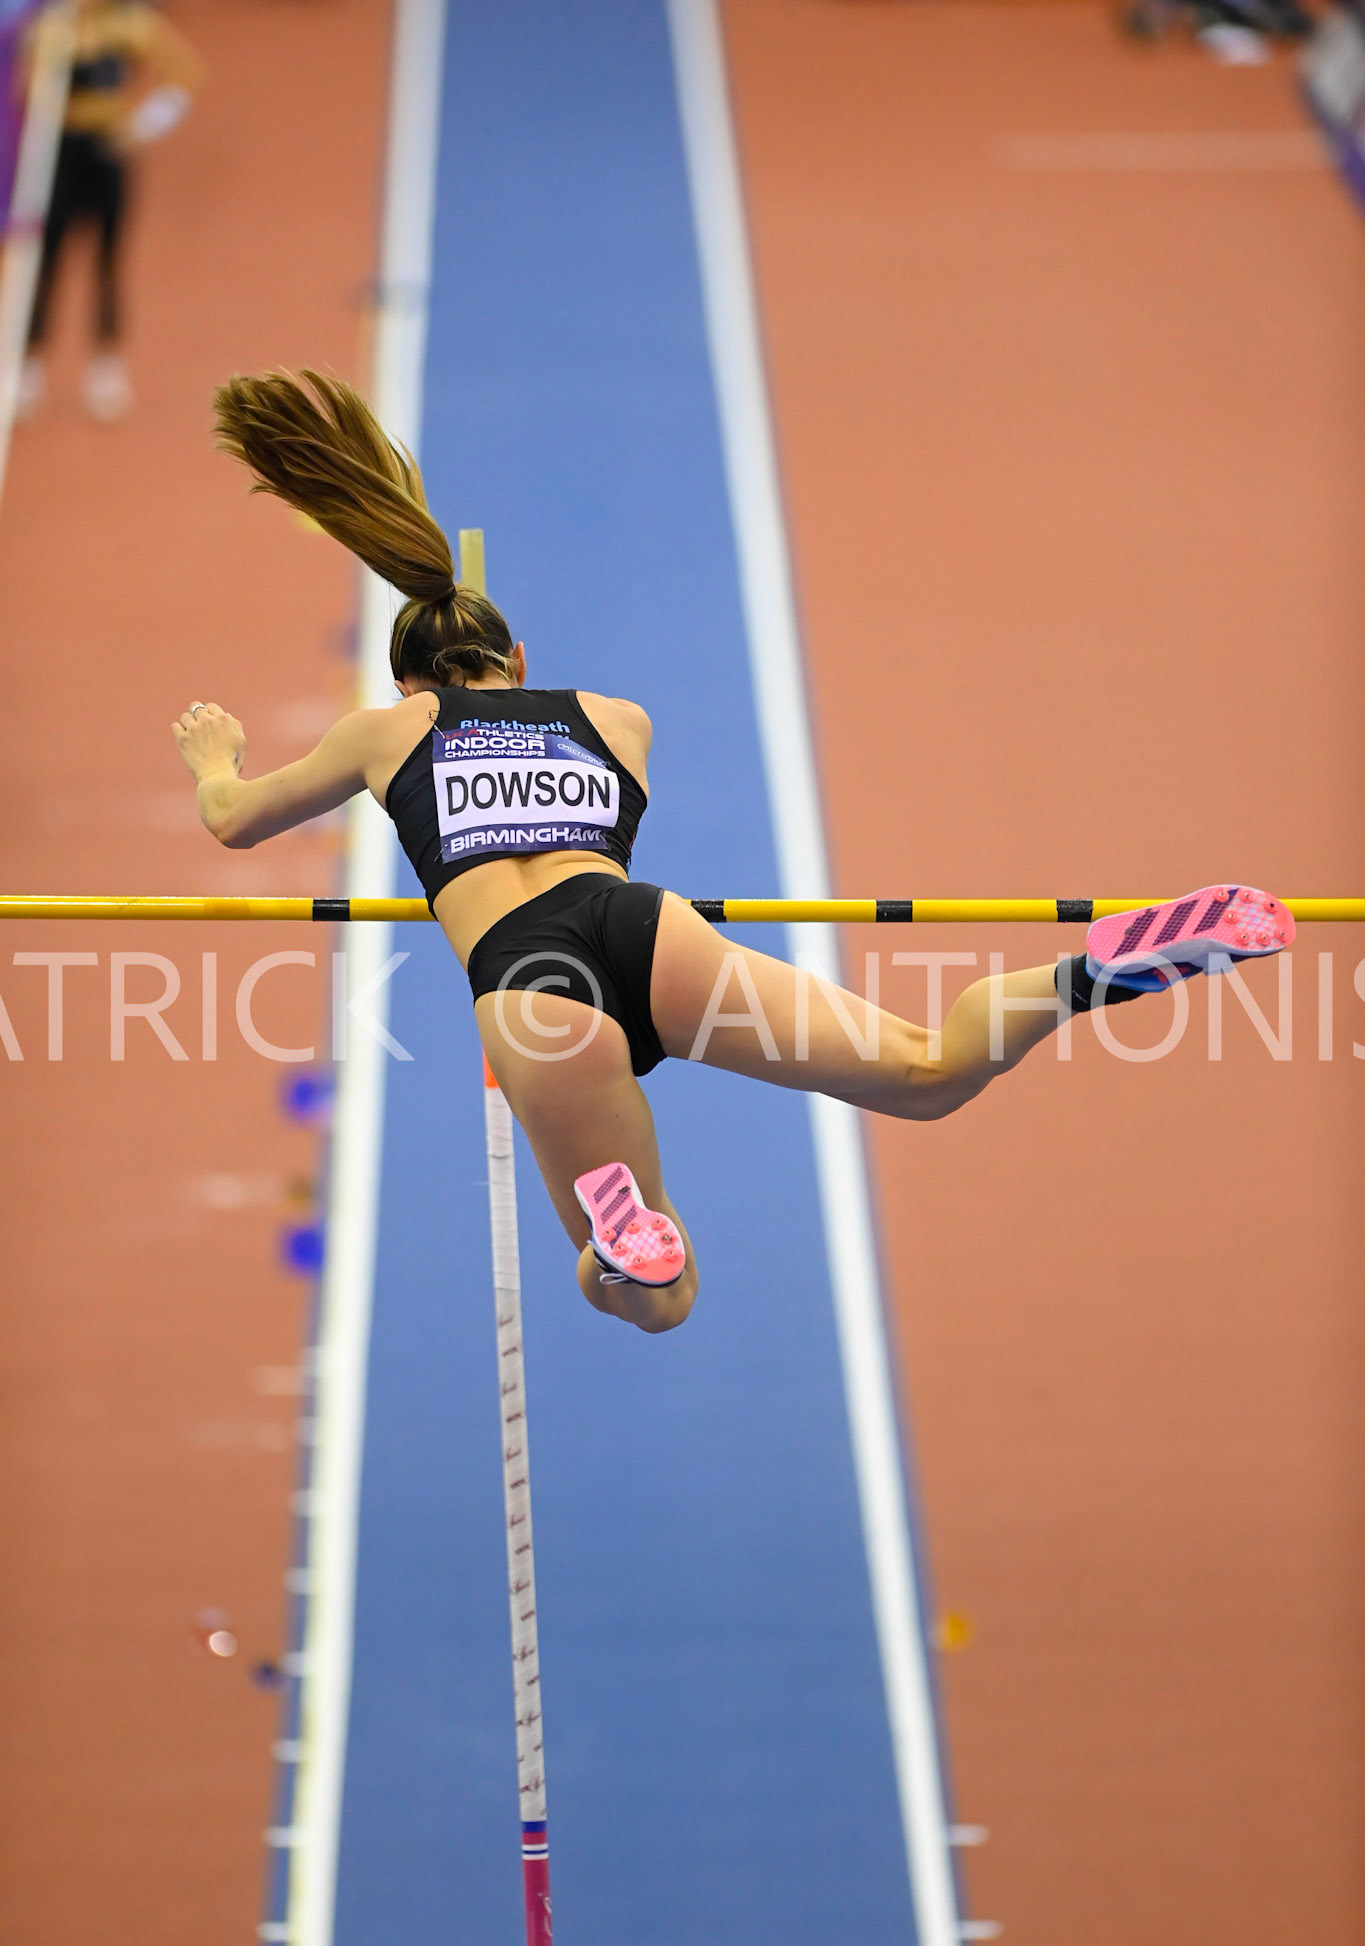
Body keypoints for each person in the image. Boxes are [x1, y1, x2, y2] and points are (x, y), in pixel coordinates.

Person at [172, 371, 1293, 1336]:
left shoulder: (385, 732)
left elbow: (237, 820)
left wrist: (217, 757)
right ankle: (1084, 974)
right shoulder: (618, 718)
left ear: (406, 684)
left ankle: (622, 1230)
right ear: (517, 653)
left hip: (529, 984)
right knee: (924, 1071)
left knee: (662, 1292)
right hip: (643, 925)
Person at [17, 0, 202, 424]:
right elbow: (25, 86)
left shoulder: (133, 26)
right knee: (47, 262)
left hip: (107, 152)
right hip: (60, 156)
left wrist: (145, 125)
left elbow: (184, 74)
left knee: (107, 261)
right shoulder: (52, 27)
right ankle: (29, 369)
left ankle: (106, 370)